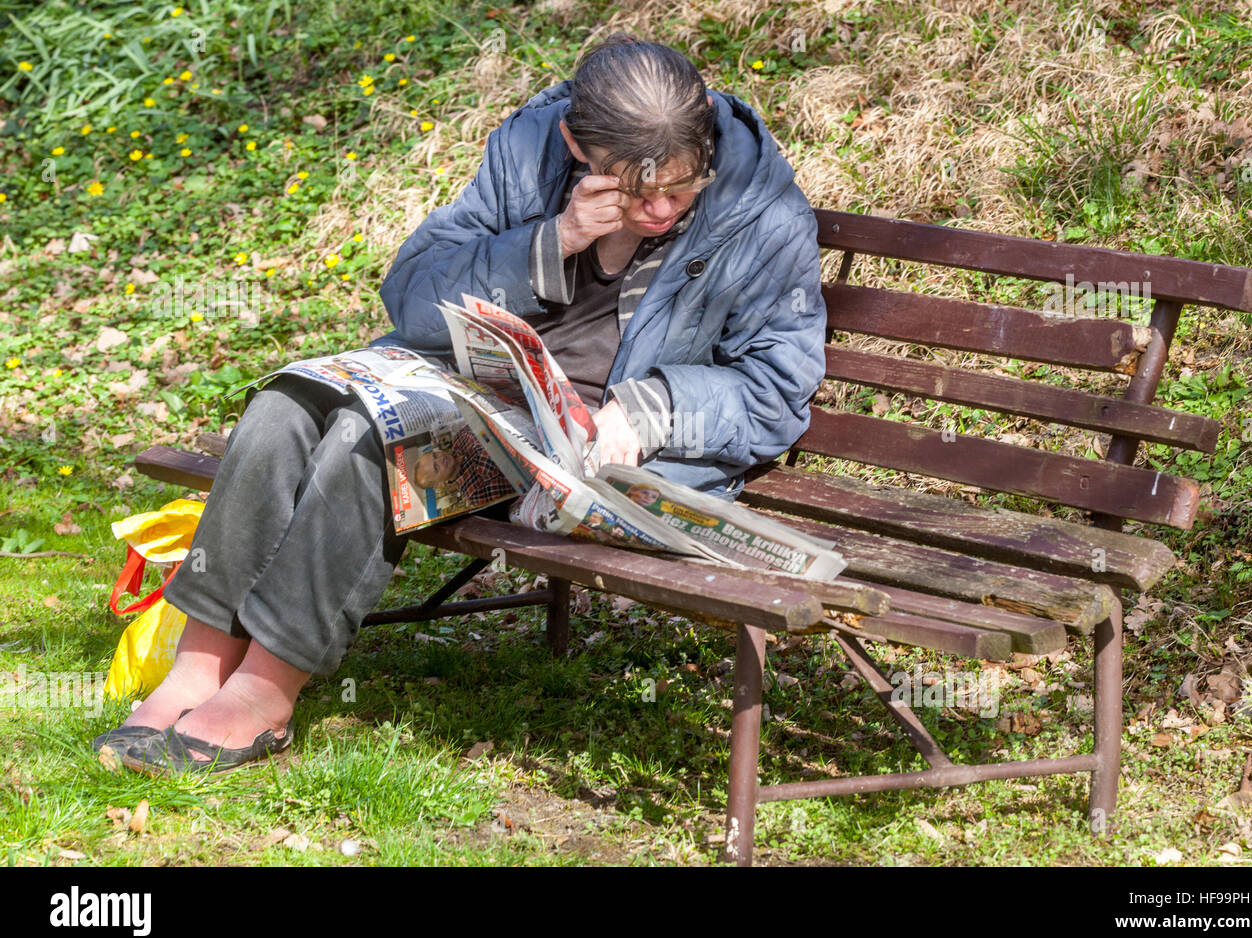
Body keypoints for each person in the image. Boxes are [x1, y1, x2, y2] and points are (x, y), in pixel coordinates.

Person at [96, 33, 827, 774]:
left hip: (589, 446)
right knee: (284, 405)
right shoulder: (531, 154)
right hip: (477, 388)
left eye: (682, 185)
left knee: (369, 441)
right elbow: (413, 294)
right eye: (634, 192)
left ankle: (265, 688)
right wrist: (555, 237)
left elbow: (778, 384)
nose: (662, 207)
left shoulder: (762, 214)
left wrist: (654, 409)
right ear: (577, 145)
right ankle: (200, 660)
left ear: (705, 131)